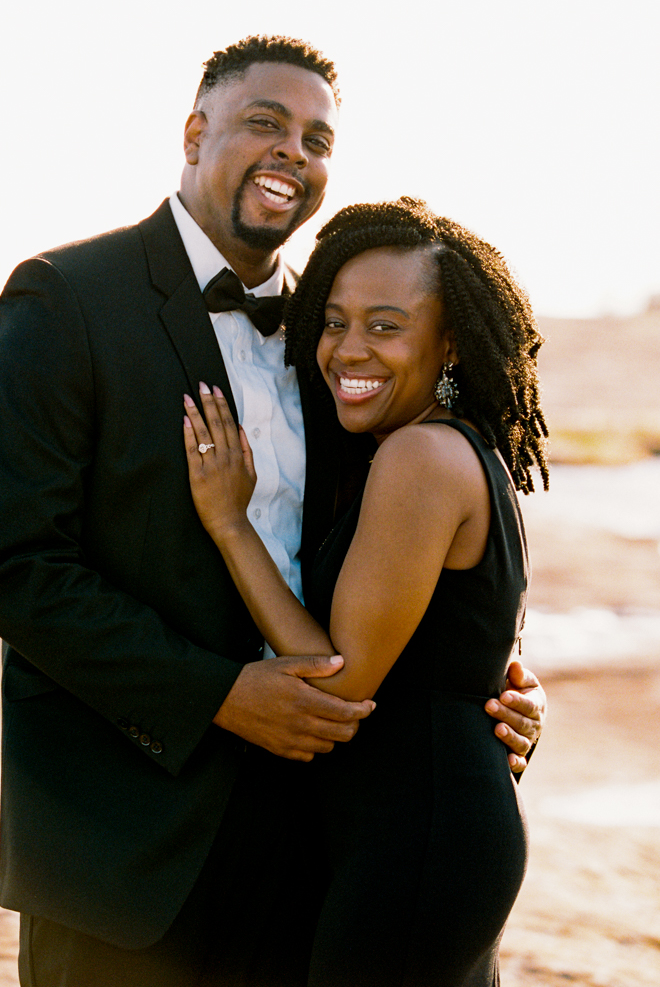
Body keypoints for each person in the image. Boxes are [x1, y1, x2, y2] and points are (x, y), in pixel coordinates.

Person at [0, 37, 545, 986]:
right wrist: (218, 694)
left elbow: (422, 540)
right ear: (196, 134)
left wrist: (498, 683)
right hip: (129, 843)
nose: (292, 154)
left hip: (319, 837)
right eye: (264, 124)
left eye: (316, 139)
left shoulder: (335, 331)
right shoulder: (64, 299)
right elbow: (15, 567)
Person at [182, 196, 549, 986]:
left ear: (449, 341)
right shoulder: (445, 452)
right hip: (423, 828)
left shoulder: (419, 457)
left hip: (420, 838)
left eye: (386, 325)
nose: (350, 348)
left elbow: (340, 684)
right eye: (335, 321)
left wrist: (229, 523)